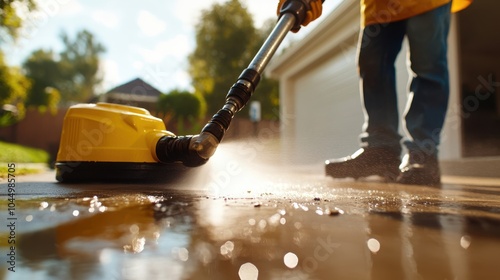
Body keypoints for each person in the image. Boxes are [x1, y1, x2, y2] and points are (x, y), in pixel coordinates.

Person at [279, 0, 473, 186]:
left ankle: (423, 153)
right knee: (372, 63)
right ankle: (382, 151)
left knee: (427, 67)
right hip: (379, 4)